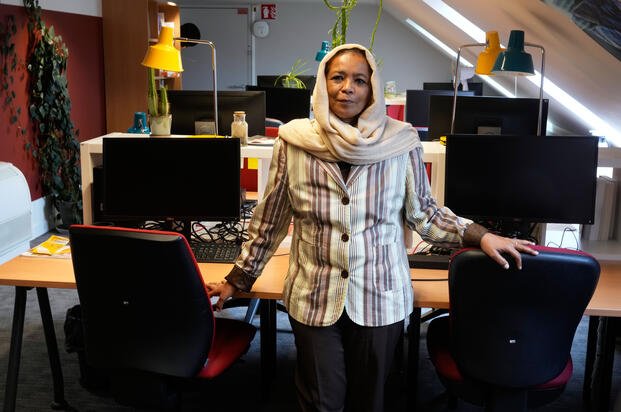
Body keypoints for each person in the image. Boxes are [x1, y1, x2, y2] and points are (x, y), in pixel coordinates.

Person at [206, 43, 538, 412]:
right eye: (338, 77)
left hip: (381, 296)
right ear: (323, 83)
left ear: (372, 88)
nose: (347, 88)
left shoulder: (401, 141)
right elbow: (270, 219)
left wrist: (481, 235)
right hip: (313, 293)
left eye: (359, 80)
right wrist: (238, 278)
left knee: (370, 401)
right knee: (321, 402)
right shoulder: (294, 141)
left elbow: (425, 214)